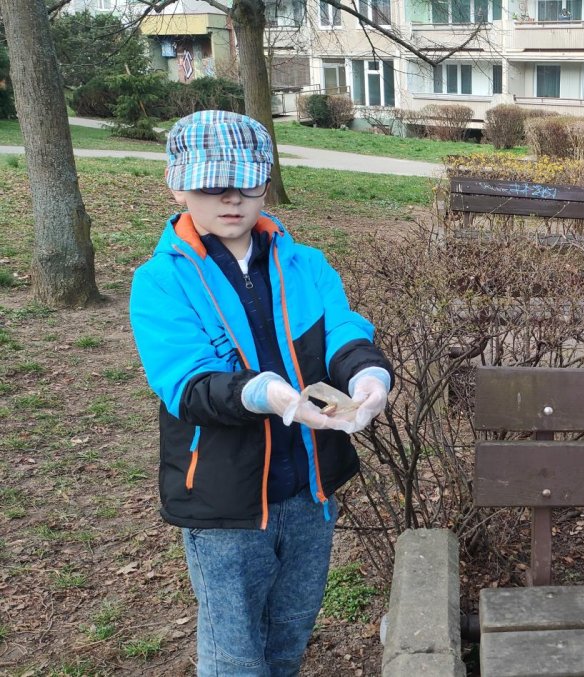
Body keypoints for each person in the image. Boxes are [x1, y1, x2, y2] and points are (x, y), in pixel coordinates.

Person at [129, 110, 394, 676]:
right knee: (234, 652)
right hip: (225, 503)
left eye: (247, 184)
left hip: (309, 490)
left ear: (265, 183)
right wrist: (271, 395)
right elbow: (187, 384)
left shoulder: (307, 264)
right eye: (212, 186)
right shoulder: (161, 281)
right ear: (177, 186)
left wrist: (368, 375)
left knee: (291, 630)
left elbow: (341, 330)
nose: (232, 199)